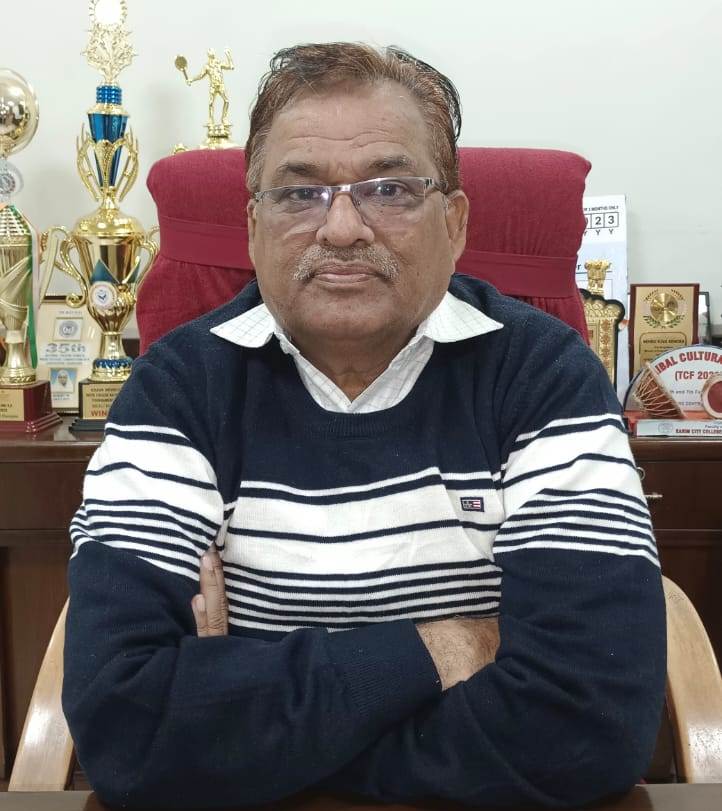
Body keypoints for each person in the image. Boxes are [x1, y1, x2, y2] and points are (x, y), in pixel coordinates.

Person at [63, 42, 666, 809]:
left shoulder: (542, 376)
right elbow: (126, 727)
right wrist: (444, 644)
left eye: (389, 189)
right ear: (252, 227)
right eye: (299, 193)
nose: (343, 228)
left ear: (454, 222)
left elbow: (589, 722)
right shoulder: (179, 389)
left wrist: (244, 731)